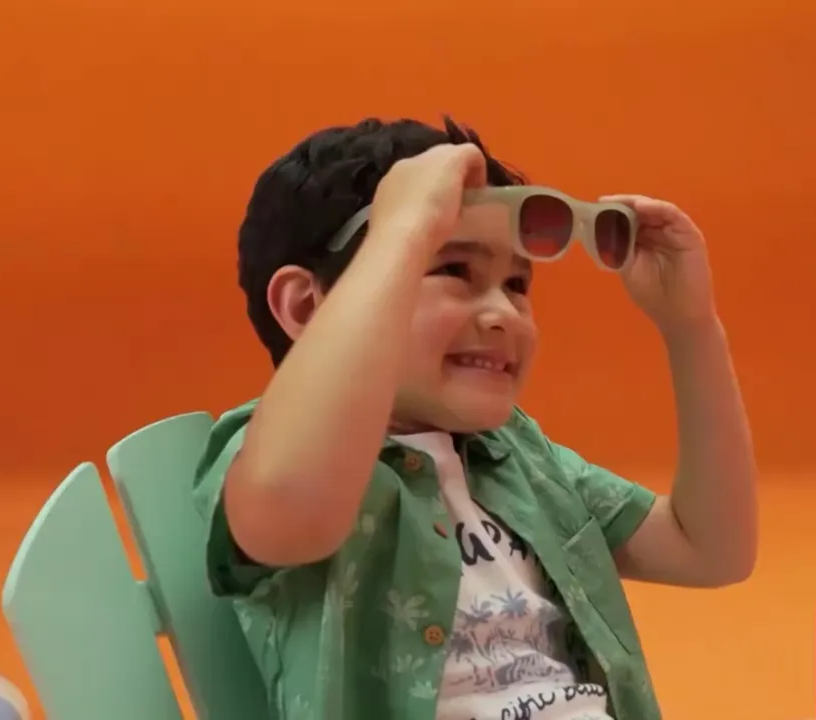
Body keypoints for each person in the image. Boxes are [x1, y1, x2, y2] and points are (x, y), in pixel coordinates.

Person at [193, 116, 758, 720]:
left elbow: (707, 549)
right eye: (454, 270)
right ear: (308, 306)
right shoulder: (270, 453)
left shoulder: (516, 456)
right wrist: (406, 228)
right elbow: (293, 500)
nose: (503, 313)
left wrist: (690, 328)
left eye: (517, 283)